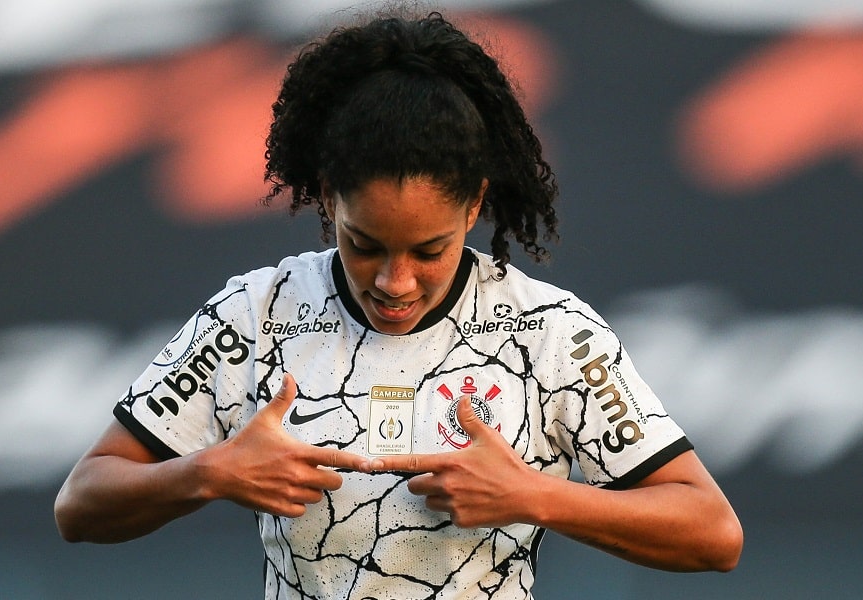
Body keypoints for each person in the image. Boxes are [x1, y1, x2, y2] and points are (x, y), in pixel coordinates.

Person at [54, 6, 743, 599]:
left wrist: (533, 495)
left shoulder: (550, 333)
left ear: (475, 203)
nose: (394, 280)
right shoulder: (256, 315)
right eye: (365, 244)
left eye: (428, 250)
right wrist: (207, 472)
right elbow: (81, 503)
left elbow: (714, 533)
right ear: (327, 196)